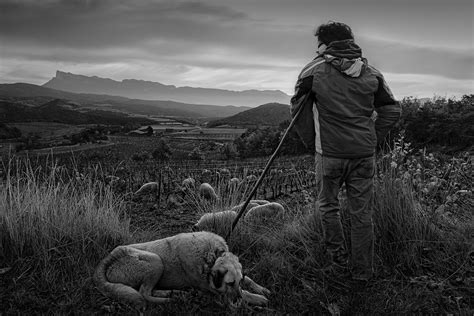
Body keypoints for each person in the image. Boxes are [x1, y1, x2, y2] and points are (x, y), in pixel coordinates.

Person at [290, 21, 401, 283]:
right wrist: (373, 139)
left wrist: (311, 141)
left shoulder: (313, 70)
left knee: (329, 207)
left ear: (325, 43)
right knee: (362, 213)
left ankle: (338, 263)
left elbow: (297, 108)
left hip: (328, 153)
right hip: (363, 155)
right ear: (350, 41)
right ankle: (363, 272)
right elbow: (392, 109)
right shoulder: (371, 72)